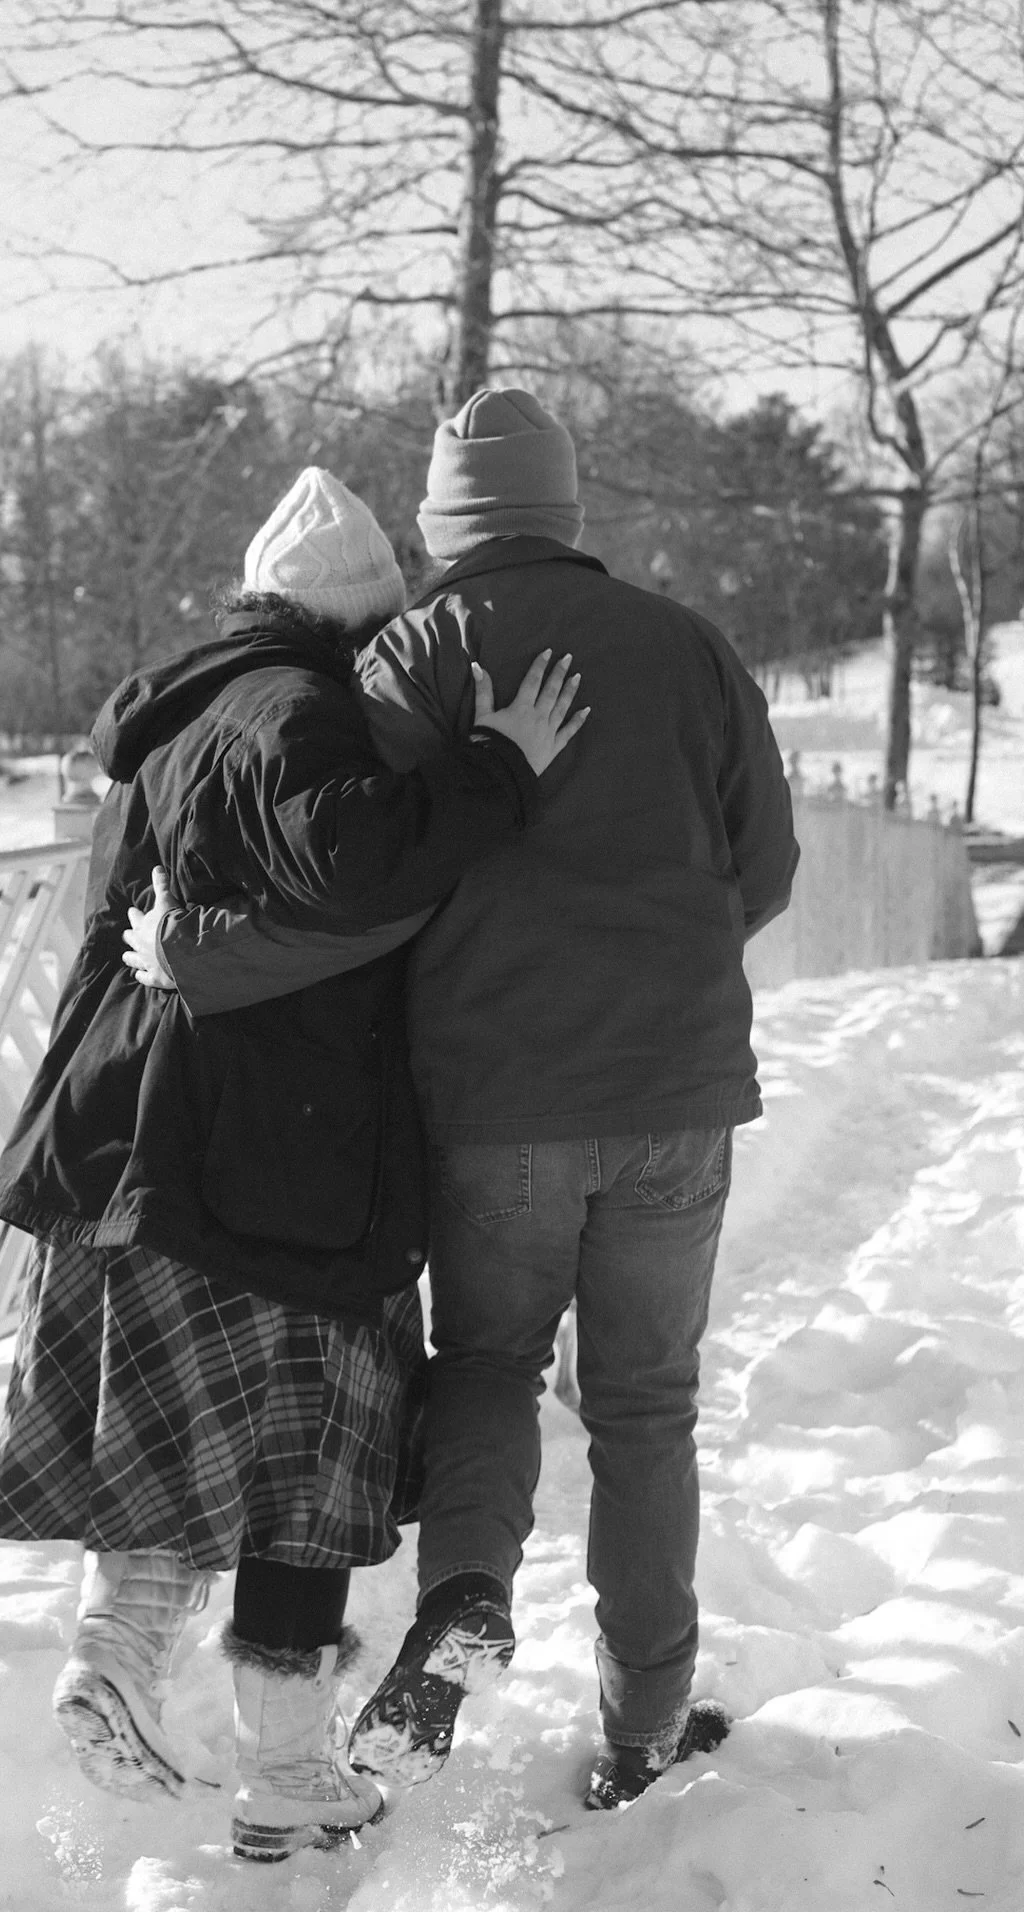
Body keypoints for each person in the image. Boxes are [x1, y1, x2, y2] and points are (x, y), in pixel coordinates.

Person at [123, 388, 799, 1812]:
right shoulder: (693, 649)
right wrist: (659, 971)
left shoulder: (417, 652)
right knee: (646, 1409)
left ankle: (468, 1603)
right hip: (676, 1095)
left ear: (441, 522)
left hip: (494, 1104)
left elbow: (367, 885)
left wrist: (206, 956)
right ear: (565, 504)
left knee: (489, 1366)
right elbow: (769, 869)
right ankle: (643, 1729)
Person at [0, 464, 587, 1861]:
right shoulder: (294, 706)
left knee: (171, 1440)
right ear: (359, 619)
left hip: (133, 1135)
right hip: (266, 1144)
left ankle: (117, 1664)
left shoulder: (173, 722)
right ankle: (288, 1767)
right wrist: (496, 767)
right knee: (304, 1458)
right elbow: (356, 859)